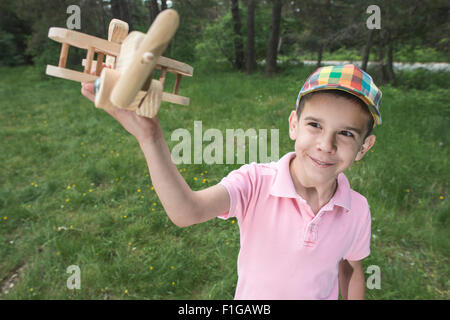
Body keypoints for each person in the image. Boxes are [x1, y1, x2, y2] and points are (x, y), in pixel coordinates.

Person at [81, 63, 382, 300]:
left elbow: (350, 268)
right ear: (294, 125)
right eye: (315, 125)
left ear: (364, 147)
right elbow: (186, 211)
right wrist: (150, 137)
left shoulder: (357, 209)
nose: (325, 144)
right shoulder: (255, 182)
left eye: (346, 134)